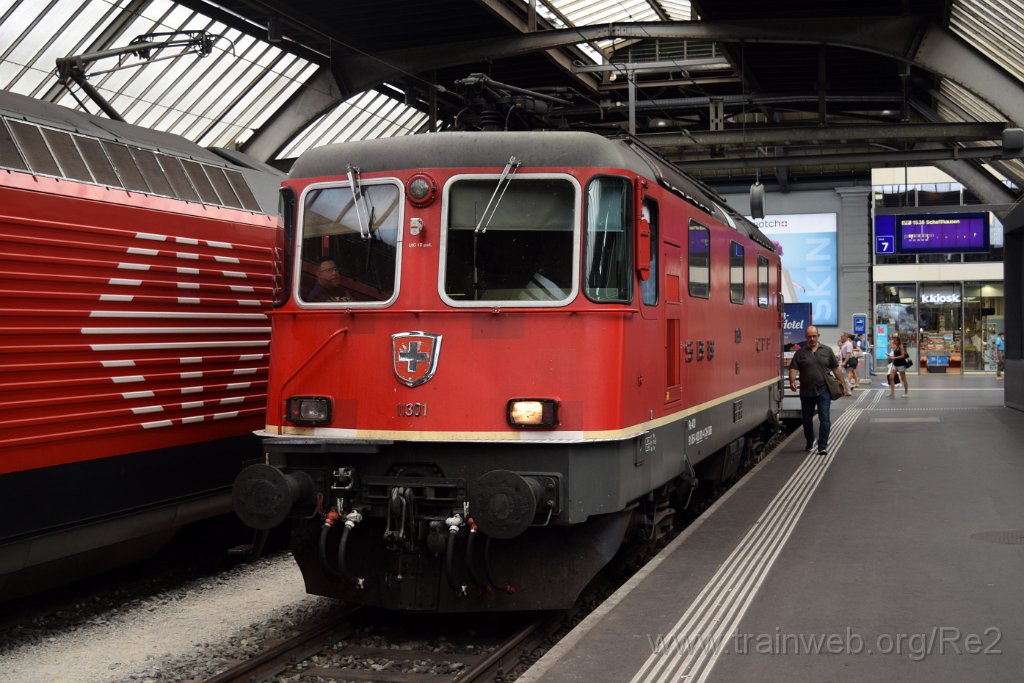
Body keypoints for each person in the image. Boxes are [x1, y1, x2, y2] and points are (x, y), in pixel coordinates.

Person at [789, 325, 848, 455]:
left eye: (814, 336)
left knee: (824, 418)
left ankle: (822, 446)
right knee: (806, 420)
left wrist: (843, 385)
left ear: (818, 336)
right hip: (806, 392)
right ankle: (810, 441)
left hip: (823, 391)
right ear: (806, 337)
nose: (812, 338)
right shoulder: (800, 353)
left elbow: (836, 369)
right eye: (809, 336)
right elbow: (793, 368)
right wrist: (792, 381)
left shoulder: (827, 351)